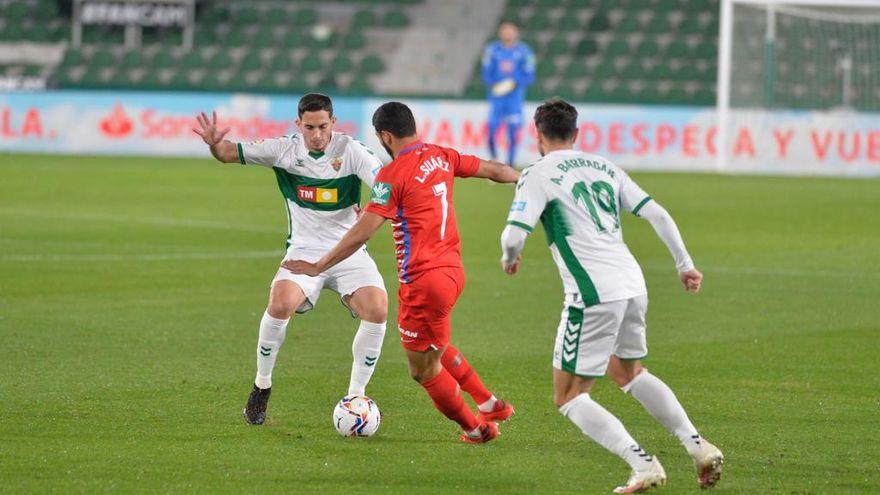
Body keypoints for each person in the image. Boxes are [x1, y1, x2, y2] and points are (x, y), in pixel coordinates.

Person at [499, 99, 724, 493]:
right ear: (577, 134)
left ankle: (643, 464)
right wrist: (684, 264)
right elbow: (658, 213)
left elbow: (514, 235)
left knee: (568, 396)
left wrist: (510, 258)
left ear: (538, 135)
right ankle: (697, 445)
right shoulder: (605, 166)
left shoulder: (537, 173)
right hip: (632, 285)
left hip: (592, 294)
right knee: (629, 371)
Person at [282, 101, 520, 443]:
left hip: (423, 280)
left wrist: (319, 265)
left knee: (421, 369)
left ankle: (476, 428)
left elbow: (363, 231)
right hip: (453, 271)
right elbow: (495, 170)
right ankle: (490, 404)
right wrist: (529, 179)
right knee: (434, 343)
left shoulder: (392, 175)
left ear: (385, 136)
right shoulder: (442, 155)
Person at [192, 93, 388, 425]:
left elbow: (385, 185)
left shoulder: (350, 151)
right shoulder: (284, 149)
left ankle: (356, 396)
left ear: (333, 123)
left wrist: (369, 208)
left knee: (378, 309)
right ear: (298, 124)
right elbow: (226, 153)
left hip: (348, 252)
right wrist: (214, 144)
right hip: (304, 251)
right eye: (309, 127)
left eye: (322, 126)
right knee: (280, 304)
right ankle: (261, 385)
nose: (316, 134)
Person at [481, 20, 536, 167]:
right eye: (505, 30)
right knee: (491, 132)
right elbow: (486, 73)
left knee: (512, 133)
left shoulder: (525, 51)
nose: (507, 33)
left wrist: (514, 83)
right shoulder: (491, 50)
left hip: (514, 100)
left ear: (516, 32)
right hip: (497, 100)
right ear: (500, 32)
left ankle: (510, 165)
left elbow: (530, 75)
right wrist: (496, 86)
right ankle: (493, 161)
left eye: (510, 30)